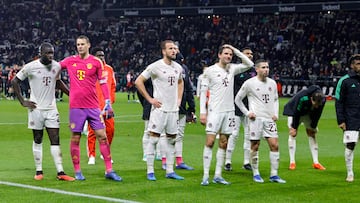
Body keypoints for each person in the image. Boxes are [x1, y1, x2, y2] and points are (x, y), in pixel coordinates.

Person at [60, 35, 122, 181]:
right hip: (76, 108)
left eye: (82, 44)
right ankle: (77, 171)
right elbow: (54, 68)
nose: (80, 46)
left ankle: (109, 170)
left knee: (102, 136)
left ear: (88, 45)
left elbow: (102, 83)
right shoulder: (69, 61)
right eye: (78, 44)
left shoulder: (96, 62)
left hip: (94, 107)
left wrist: (107, 101)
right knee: (75, 138)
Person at [11, 42, 75, 181]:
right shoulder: (31, 67)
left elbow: (58, 82)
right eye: (48, 53)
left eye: (52, 53)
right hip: (36, 109)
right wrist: (23, 101)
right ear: (41, 53)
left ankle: (60, 172)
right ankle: (39, 171)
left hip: (51, 109)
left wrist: (72, 95)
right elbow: (15, 81)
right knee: (38, 139)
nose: (51, 56)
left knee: (55, 139)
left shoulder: (56, 66)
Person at [199, 44, 254, 186]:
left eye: (230, 54)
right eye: (226, 54)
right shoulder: (210, 71)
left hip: (229, 111)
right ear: (219, 55)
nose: (228, 56)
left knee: (223, 143)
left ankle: (218, 175)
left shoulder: (232, 69)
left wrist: (235, 50)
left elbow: (250, 63)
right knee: (210, 142)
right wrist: (202, 113)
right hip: (215, 111)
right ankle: (205, 175)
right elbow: (204, 92)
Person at [135, 39, 184, 181]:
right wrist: (150, 99)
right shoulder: (155, 66)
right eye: (170, 48)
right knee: (154, 140)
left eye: (175, 48)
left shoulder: (178, 68)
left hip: (173, 110)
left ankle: (170, 170)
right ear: (163, 51)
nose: (174, 51)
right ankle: (150, 171)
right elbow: (138, 81)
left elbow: (181, 82)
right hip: (159, 110)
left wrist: (179, 99)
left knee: (171, 140)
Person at [235, 59, 286, 184]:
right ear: (256, 69)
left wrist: (275, 113)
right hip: (255, 119)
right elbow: (238, 99)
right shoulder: (249, 83)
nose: (266, 69)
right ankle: (256, 173)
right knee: (255, 146)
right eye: (263, 67)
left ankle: (274, 174)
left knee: (274, 145)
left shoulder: (272, 83)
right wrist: (247, 113)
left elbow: (275, 99)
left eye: (267, 67)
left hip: (269, 119)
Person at [283, 85, 326, 171]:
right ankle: (292, 162)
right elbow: (296, 111)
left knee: (312, 134)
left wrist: (313, 126)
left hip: (308, 113)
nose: (317, 106)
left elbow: (318, 113)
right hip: (293, 112)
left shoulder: (323, 100)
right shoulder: (302, 97)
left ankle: (316, 162)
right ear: (311, 99)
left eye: (318, 104)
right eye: (315, 104)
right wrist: (294, 127)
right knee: (293, 134)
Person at [225, 47, 254, 171]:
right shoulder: (235, 70)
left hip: (250, 107)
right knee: (234, 134)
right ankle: (227, 161)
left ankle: (247, 161)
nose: (250, 55)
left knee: (248, 134)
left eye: (251, 54)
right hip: (235, 106)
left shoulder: (254, 70)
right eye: (247, 53)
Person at [87, 47, 116, 165]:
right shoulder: (89, 69)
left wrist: (111, 101)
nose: (101, 57)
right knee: (92, 132)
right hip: (93, 106)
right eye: (99, 55)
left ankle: (105, 152)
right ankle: (91, 155)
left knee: (110, 130)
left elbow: (113, 86)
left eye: (103, 55)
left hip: (107, 107)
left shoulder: (109, 69)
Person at [335, 54, 360, 182]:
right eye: (358, 64)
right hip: (351, 119)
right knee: (351, 145)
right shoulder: (345, 81)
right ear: (352, 65)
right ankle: (350, 173)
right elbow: (338, 101)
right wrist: (341, 120)